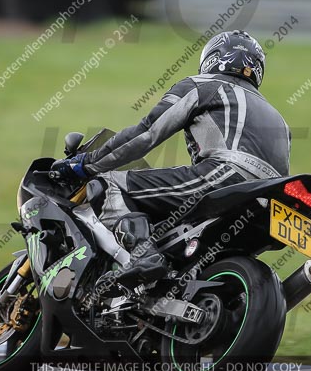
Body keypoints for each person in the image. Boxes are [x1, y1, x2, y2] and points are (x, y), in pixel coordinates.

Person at [50, 30, 291, 285]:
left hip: (229, 176)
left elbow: (146, 134)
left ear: (215, 56)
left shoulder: (203, 85)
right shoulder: (279, 118)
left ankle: (144, 258)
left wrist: (86, 163)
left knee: (110, 184)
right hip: (273, 198)